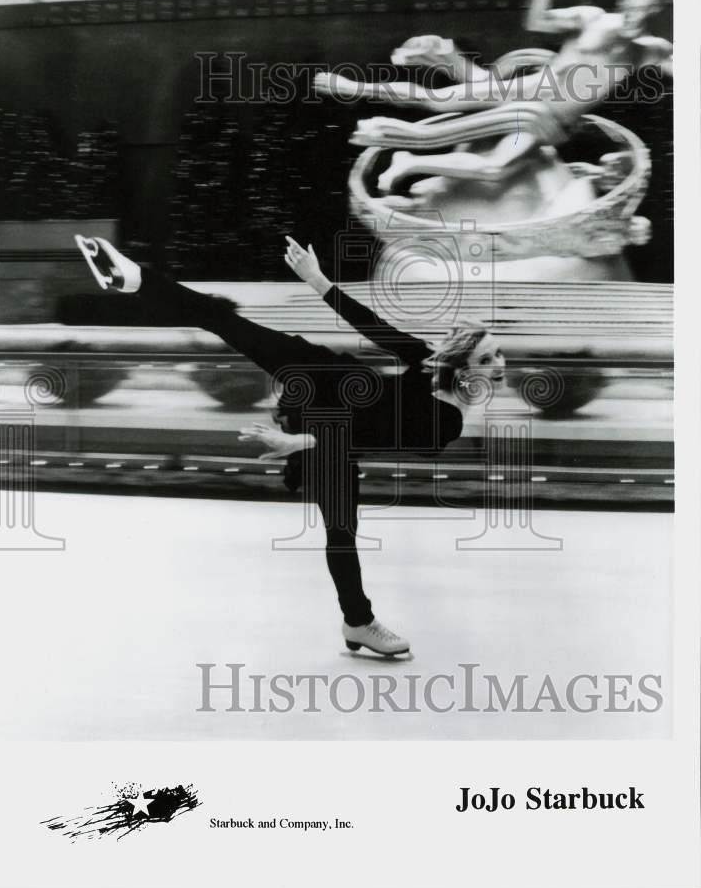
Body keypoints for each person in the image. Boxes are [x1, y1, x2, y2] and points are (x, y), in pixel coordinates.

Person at [75, 234, 506, 656]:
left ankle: (357, 622)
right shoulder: (428, 364)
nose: (498, 364)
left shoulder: (444, 423)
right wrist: (317, 279)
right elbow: (374, 326)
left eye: (496, 356)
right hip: (323, 376)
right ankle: (133, 278)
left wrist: (299, 442)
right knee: (226, 320)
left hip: (330, 434)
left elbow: (365, 436)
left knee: (341, 533)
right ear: (461, 365)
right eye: (488, 356)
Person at [314, 0, 673, 188]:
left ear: (657, 1)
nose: (634, 0)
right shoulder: (592, 17)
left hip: (551, 120)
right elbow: (536, 21)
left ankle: (410, 162)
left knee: (495, 168)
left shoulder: (651, 49)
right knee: (436, 100)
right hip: (534, 88)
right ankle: (352, 85)